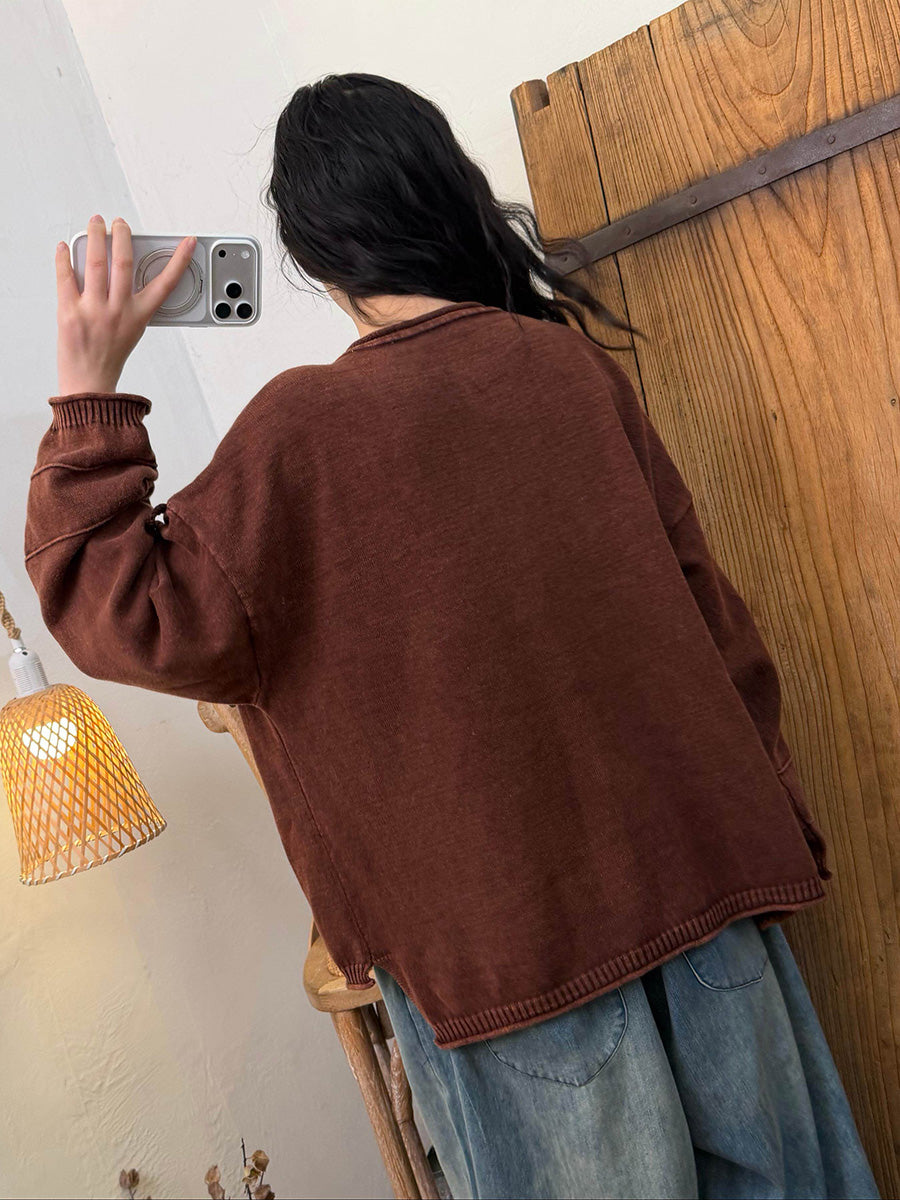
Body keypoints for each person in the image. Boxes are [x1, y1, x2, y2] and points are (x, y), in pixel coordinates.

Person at [31, 73, 879, 1199]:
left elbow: (114, 603)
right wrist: (778, 832)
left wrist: (89, 391)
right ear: (447, 195)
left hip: (515, 972)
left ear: (317, 256)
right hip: (717, 910)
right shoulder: (567, 372)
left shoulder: (299, 431)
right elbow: (718, 628)